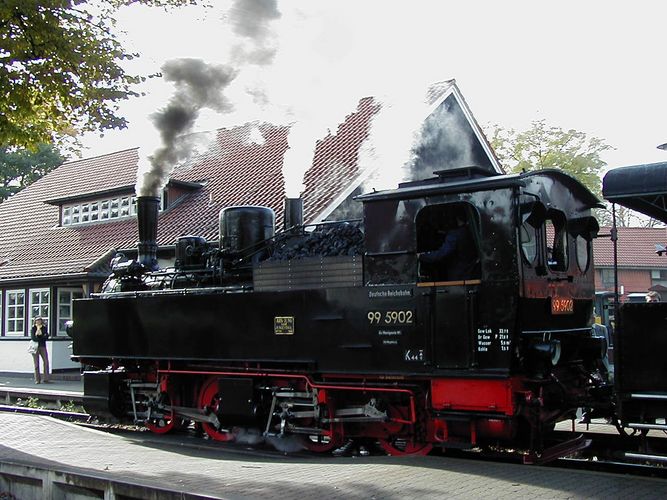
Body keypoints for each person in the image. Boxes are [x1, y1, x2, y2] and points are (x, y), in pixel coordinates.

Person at [418, 211, 478, 281]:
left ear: (456, 219)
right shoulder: (470, 232)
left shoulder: (454, 235)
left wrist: (421, 256)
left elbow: (442, 253)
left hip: (458, 276)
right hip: (470, 273)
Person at [30, 317, 50, 384]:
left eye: (39, 320)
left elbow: (46, 336)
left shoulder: (44, 328)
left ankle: (46, 379)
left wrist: (40, 337)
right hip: (35, 347)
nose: (38, 322)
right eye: (37, 320)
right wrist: (41, 337)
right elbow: (33, 338)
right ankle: (37, 379)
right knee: (36, 364)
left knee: (46, 362)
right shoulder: (33, 328)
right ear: (35, 321)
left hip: (42, 346)